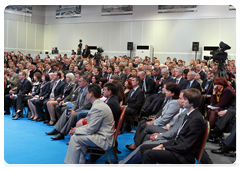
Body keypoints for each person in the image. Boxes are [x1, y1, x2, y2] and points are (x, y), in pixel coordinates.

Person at [139, 88, 206, 167]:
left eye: (185, 99)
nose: (182, 101)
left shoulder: (196, 119)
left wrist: (165, 148)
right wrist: (163, 145)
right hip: (177, 148)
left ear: (192, 102)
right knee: (144, 147)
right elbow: (178, 138)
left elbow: (186, 146)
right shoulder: (189, 115)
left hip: (183, 155)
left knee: (149, 154)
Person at [64, 84, 115, 167]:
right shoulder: (98, 104)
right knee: (78, 134)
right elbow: (91, 126)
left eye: (87, 92)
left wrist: (76, 130)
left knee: (75, 138)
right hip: (102, 134)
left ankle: (75, 165)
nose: (86, 94)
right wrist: (76, 129)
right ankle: (81, 162)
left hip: (104, 138)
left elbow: (90, 129)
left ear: (91, 94)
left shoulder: (97, 107)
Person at [126, 82, 180, 150]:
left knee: (146, 126)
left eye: (167, 90)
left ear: (173, 93)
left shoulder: (174, 103)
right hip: (163, 124)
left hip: (165, 127)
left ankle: (137, 145)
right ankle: (136, 144)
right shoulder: (169, 100)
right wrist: (153, 122)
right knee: (142, 123)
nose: (165, 91)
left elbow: (165, 119)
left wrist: (153, 123)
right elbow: (162, 116)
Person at [45, 75, 92, 140]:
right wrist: (73, 109)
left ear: (85, 82)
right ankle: (57, 129)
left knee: (73, 115)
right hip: (78, 109)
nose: (78, 82)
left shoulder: (88, 90)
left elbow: (86, 105)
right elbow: (76, 102)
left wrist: (75, 111)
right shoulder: (80, 89)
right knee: (66, 111)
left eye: (80, 81)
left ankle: (62, 134)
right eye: (78, 81)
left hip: (85, 110)